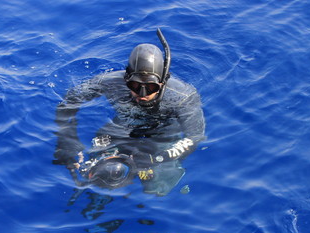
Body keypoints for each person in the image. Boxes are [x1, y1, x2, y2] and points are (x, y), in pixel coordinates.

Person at [54, 29, 205, 196]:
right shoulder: (111, 82)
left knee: (156, 189)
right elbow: (68, 102)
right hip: (124, 126)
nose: (142, 94)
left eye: (151, 87)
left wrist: (158, 158)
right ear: (126, 79)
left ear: (163, 82)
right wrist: (67, 140)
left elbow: (195, 136)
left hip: (163, 133)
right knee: (97, 172)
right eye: (135, 86)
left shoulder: (183, 97)